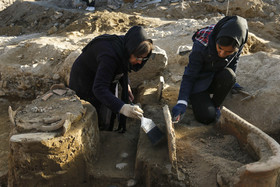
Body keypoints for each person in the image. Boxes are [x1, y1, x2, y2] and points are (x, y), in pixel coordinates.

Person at [69, 26, 154, 131]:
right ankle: (99, 131)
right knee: (92, 111)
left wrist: (126, 84)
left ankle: (105, 126)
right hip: (84, 80)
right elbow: (99, 88)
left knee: (107, 105)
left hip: (102, 74)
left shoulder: (126, 45)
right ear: (130, 51)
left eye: (143, 58)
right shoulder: (109, 56)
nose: (140, 62)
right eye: (137, 58)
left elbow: (123, 67)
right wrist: (123, 108)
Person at [172, 15, 248, 124]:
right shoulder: (202, 43)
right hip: (198, 81)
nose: (222, 54)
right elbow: (189, 75)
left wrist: (230, 83)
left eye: (228, 52)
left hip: (215, 75)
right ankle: (194, 99)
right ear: (216, 40)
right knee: (206, 117)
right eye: (220, 48)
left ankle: (215, 104)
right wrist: (182, 101)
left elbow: (233, 62)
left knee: (230, 76)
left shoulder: (239, 40)